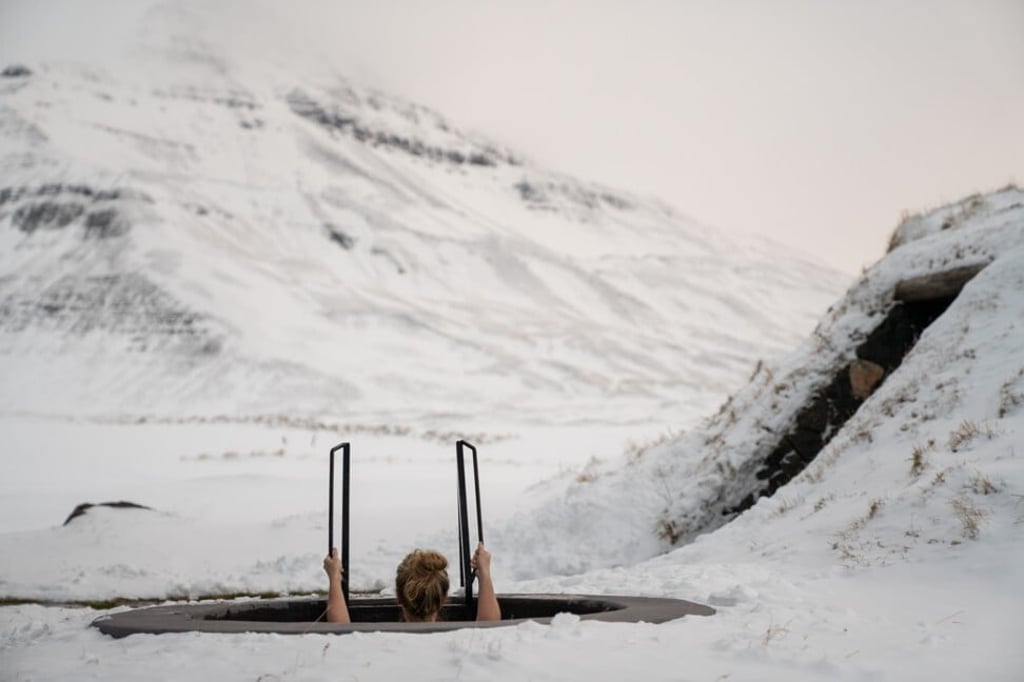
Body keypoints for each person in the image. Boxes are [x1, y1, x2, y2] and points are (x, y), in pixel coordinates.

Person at [322, 543, 501, 623]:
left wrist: (335, 580)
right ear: (444, 598)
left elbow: (340, 630)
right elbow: (489, 624)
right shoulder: (456, 643)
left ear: (399, 597)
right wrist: (484, 574)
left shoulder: (382, 643)